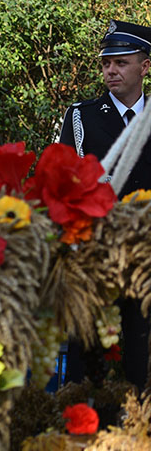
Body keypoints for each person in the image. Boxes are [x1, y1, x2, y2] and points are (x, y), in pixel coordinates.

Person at [59, 20, 151, 388]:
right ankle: (84, 429)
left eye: (121, 62)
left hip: (146, 258)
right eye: (106, 63)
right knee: (87, 354)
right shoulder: (80, 117)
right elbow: (63, 180)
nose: (110, 71)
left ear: (145, 66)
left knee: (141, 356)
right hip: (94, 255)